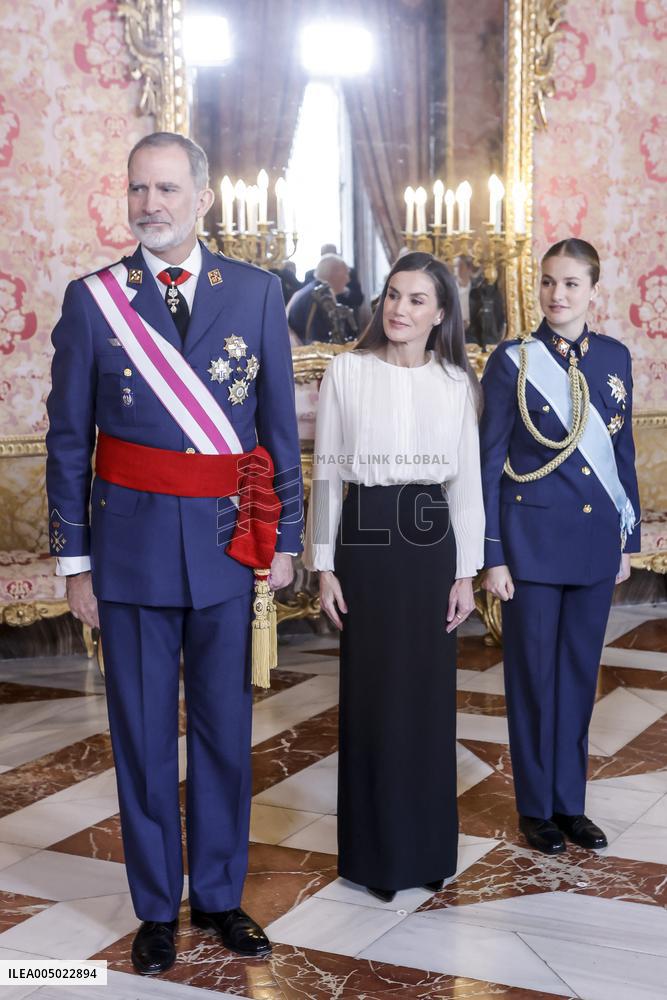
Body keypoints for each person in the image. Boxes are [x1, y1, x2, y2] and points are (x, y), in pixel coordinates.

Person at [45, 132, 303, 974]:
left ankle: (220, 897)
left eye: (165, 189)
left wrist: (285, 538)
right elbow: (68, 441)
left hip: (227, 549)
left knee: (226, 732)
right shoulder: (95, 300)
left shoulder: (257, 292)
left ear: (202, 198)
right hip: (129, 555)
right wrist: (76, 565)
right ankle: (156, 906)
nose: (149, 205)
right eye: (137, 189)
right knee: (144, 735)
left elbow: (274, 429)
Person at [304, 251, 484, 900]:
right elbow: (327, 472)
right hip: (368, 533)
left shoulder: (455, 382)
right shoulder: (347, 371)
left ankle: (427, 850)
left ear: (440, 313)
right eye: (392, 295)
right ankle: (374, 857)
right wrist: (323, 563)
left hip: (432, 537)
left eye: (415, 300)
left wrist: (465, 572)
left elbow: (466, 483)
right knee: (373, 695)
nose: (399, 309)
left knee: (428, 700)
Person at [479, 238, 640, 856]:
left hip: (596, 542)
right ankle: (536, 808)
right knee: (533, 680)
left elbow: (620, 454)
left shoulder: (614, 357)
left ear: (593, 290)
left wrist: (626, 541)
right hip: (532, 546)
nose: (557, 294)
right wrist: (493, 553)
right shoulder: (512, 361)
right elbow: (490, 461)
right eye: (548, 281)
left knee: (577, 677)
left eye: (571, 284)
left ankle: (571, 804)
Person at [287, 254, 357, 344]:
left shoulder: (311, 289)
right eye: (346, 274)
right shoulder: (320, 295)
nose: (348, 280)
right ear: (334, 274)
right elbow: (316, 342)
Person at [305, 242, 365, 318]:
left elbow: (359, 299)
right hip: (321, 317)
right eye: (325, 256)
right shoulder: (311, 275)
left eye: (331, 255)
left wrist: (345, 291)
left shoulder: (348, 272)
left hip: (346, 317)